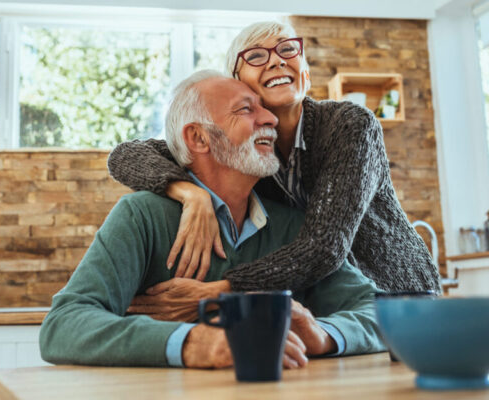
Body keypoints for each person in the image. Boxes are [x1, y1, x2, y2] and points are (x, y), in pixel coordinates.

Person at [39, 70, 385, 369]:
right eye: (246, 110)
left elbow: (380, 313)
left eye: (264, 109)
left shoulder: (293, 227)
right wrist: (196, 343)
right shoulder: (141, 216)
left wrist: (323, 335)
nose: (271, 119)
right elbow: (64, 325)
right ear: (198, 137)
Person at [107, 21, 441, 303]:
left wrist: (222, 290)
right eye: (255, 56)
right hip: (328, 303)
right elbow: (126, 155)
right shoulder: (244, 150)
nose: (277, 61)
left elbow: (323, 246)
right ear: (237, 83)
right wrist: (189, 193)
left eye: (287, 50)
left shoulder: (350, 125)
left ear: (306, 74)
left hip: (399, 296)